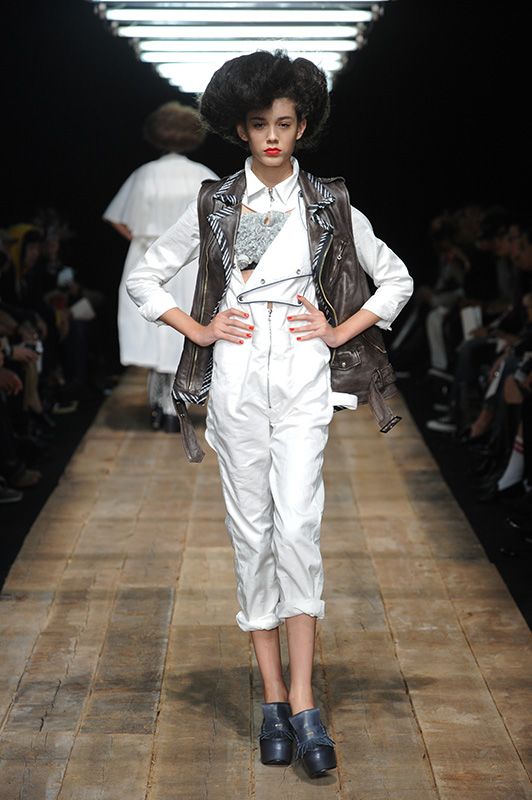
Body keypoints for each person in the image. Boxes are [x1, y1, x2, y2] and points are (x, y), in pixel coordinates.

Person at [127, 51, 413, 777]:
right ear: (241, 129)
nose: (273, 137)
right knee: (251, 532)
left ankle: (307, 699)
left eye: (285, 123)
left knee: (298, 527)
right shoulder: (217, 204)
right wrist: (198, 329)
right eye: (260, 125)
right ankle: (273, 699)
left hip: (303, 375)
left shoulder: (330, 203)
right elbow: (145, 277)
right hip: (235, 376)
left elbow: (396, 279)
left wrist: (340, 331)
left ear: (302, 125)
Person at [103, 101, 218, 432]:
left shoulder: (145, 174)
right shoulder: (201, 174)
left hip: (149, 258)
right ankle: (170, 406)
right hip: (189, 263)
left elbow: (116, 217)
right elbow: (221, 220)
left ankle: (164, 405)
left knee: (157, 329)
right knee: (182, 330)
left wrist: (142, 239)